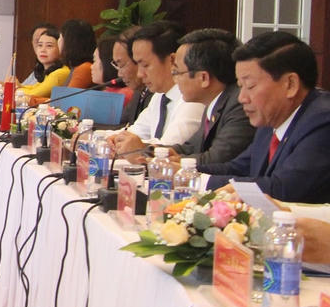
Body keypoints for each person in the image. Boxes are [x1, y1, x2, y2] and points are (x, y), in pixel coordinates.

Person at [199, 31, 330, 203]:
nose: (241, 98)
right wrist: (185, 171)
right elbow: (238, 168)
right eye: (240, 86)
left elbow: (283, 188)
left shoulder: (322, 121)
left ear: (290, 84)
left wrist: (202, 182)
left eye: (250, 86)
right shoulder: (270, 120)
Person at [110, 28, 254, 166]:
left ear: (203, 78)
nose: (175, 80)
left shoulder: (237, 104)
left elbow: (216, 159)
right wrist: (147, 152)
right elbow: (189, 148)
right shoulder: (213, 103)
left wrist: (152, 157)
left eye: (177, 73)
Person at [108, 21, 203, 152]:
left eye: (145, 65)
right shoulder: (160, 96)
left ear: (172, 60)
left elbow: (166, 149)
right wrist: (113, 139)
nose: (140, 74)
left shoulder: (192, 99)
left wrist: (135, 146)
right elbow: (135, 132)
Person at [18, 20, 96, 102]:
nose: (59, 41)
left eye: (61, 38)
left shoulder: (83, 69)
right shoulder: (76, 67)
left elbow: (65, 101)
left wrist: (29, 100)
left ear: (69, 42)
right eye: (40, 45)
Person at [113, 26, 150, 124]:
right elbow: (122, 125)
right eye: (116, 66)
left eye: (121, 65)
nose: (119, 74)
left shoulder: (158, 94)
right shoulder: (139, 92)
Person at [92, 37, 132, 102]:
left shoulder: (123, 95)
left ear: (106, 63)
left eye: (94, 60)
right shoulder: (108, 92)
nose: (91, 66)